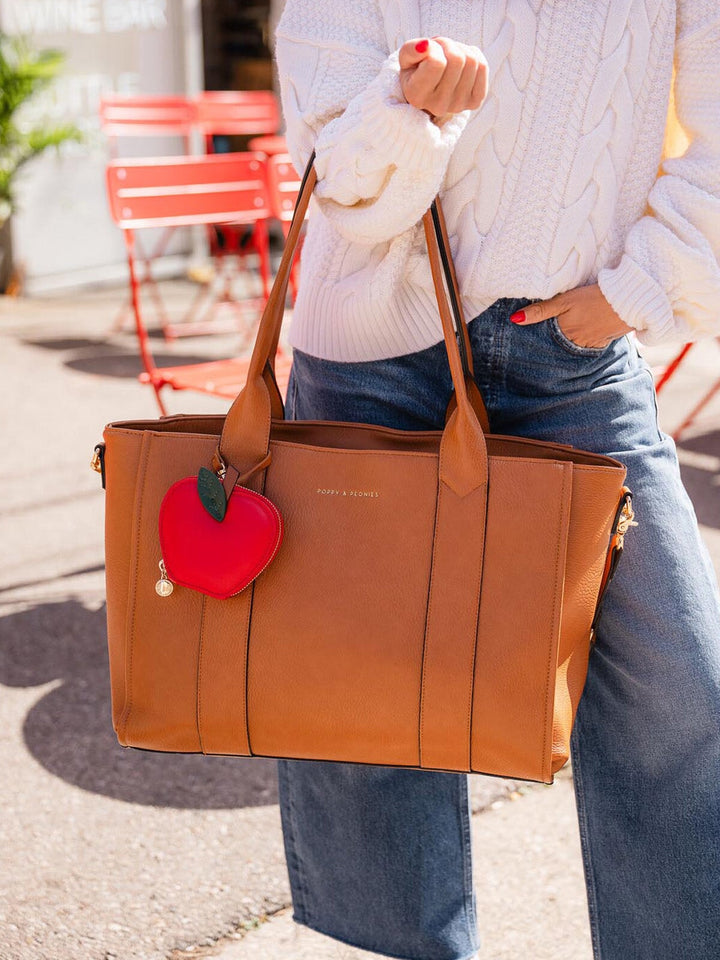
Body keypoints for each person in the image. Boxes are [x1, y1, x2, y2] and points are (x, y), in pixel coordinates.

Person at [272, 3, 720, 958]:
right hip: (370, 354)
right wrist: (410, 112)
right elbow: (331, 174)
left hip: (575, 354)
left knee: (681, 685)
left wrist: (638, 291)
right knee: (361, 706)